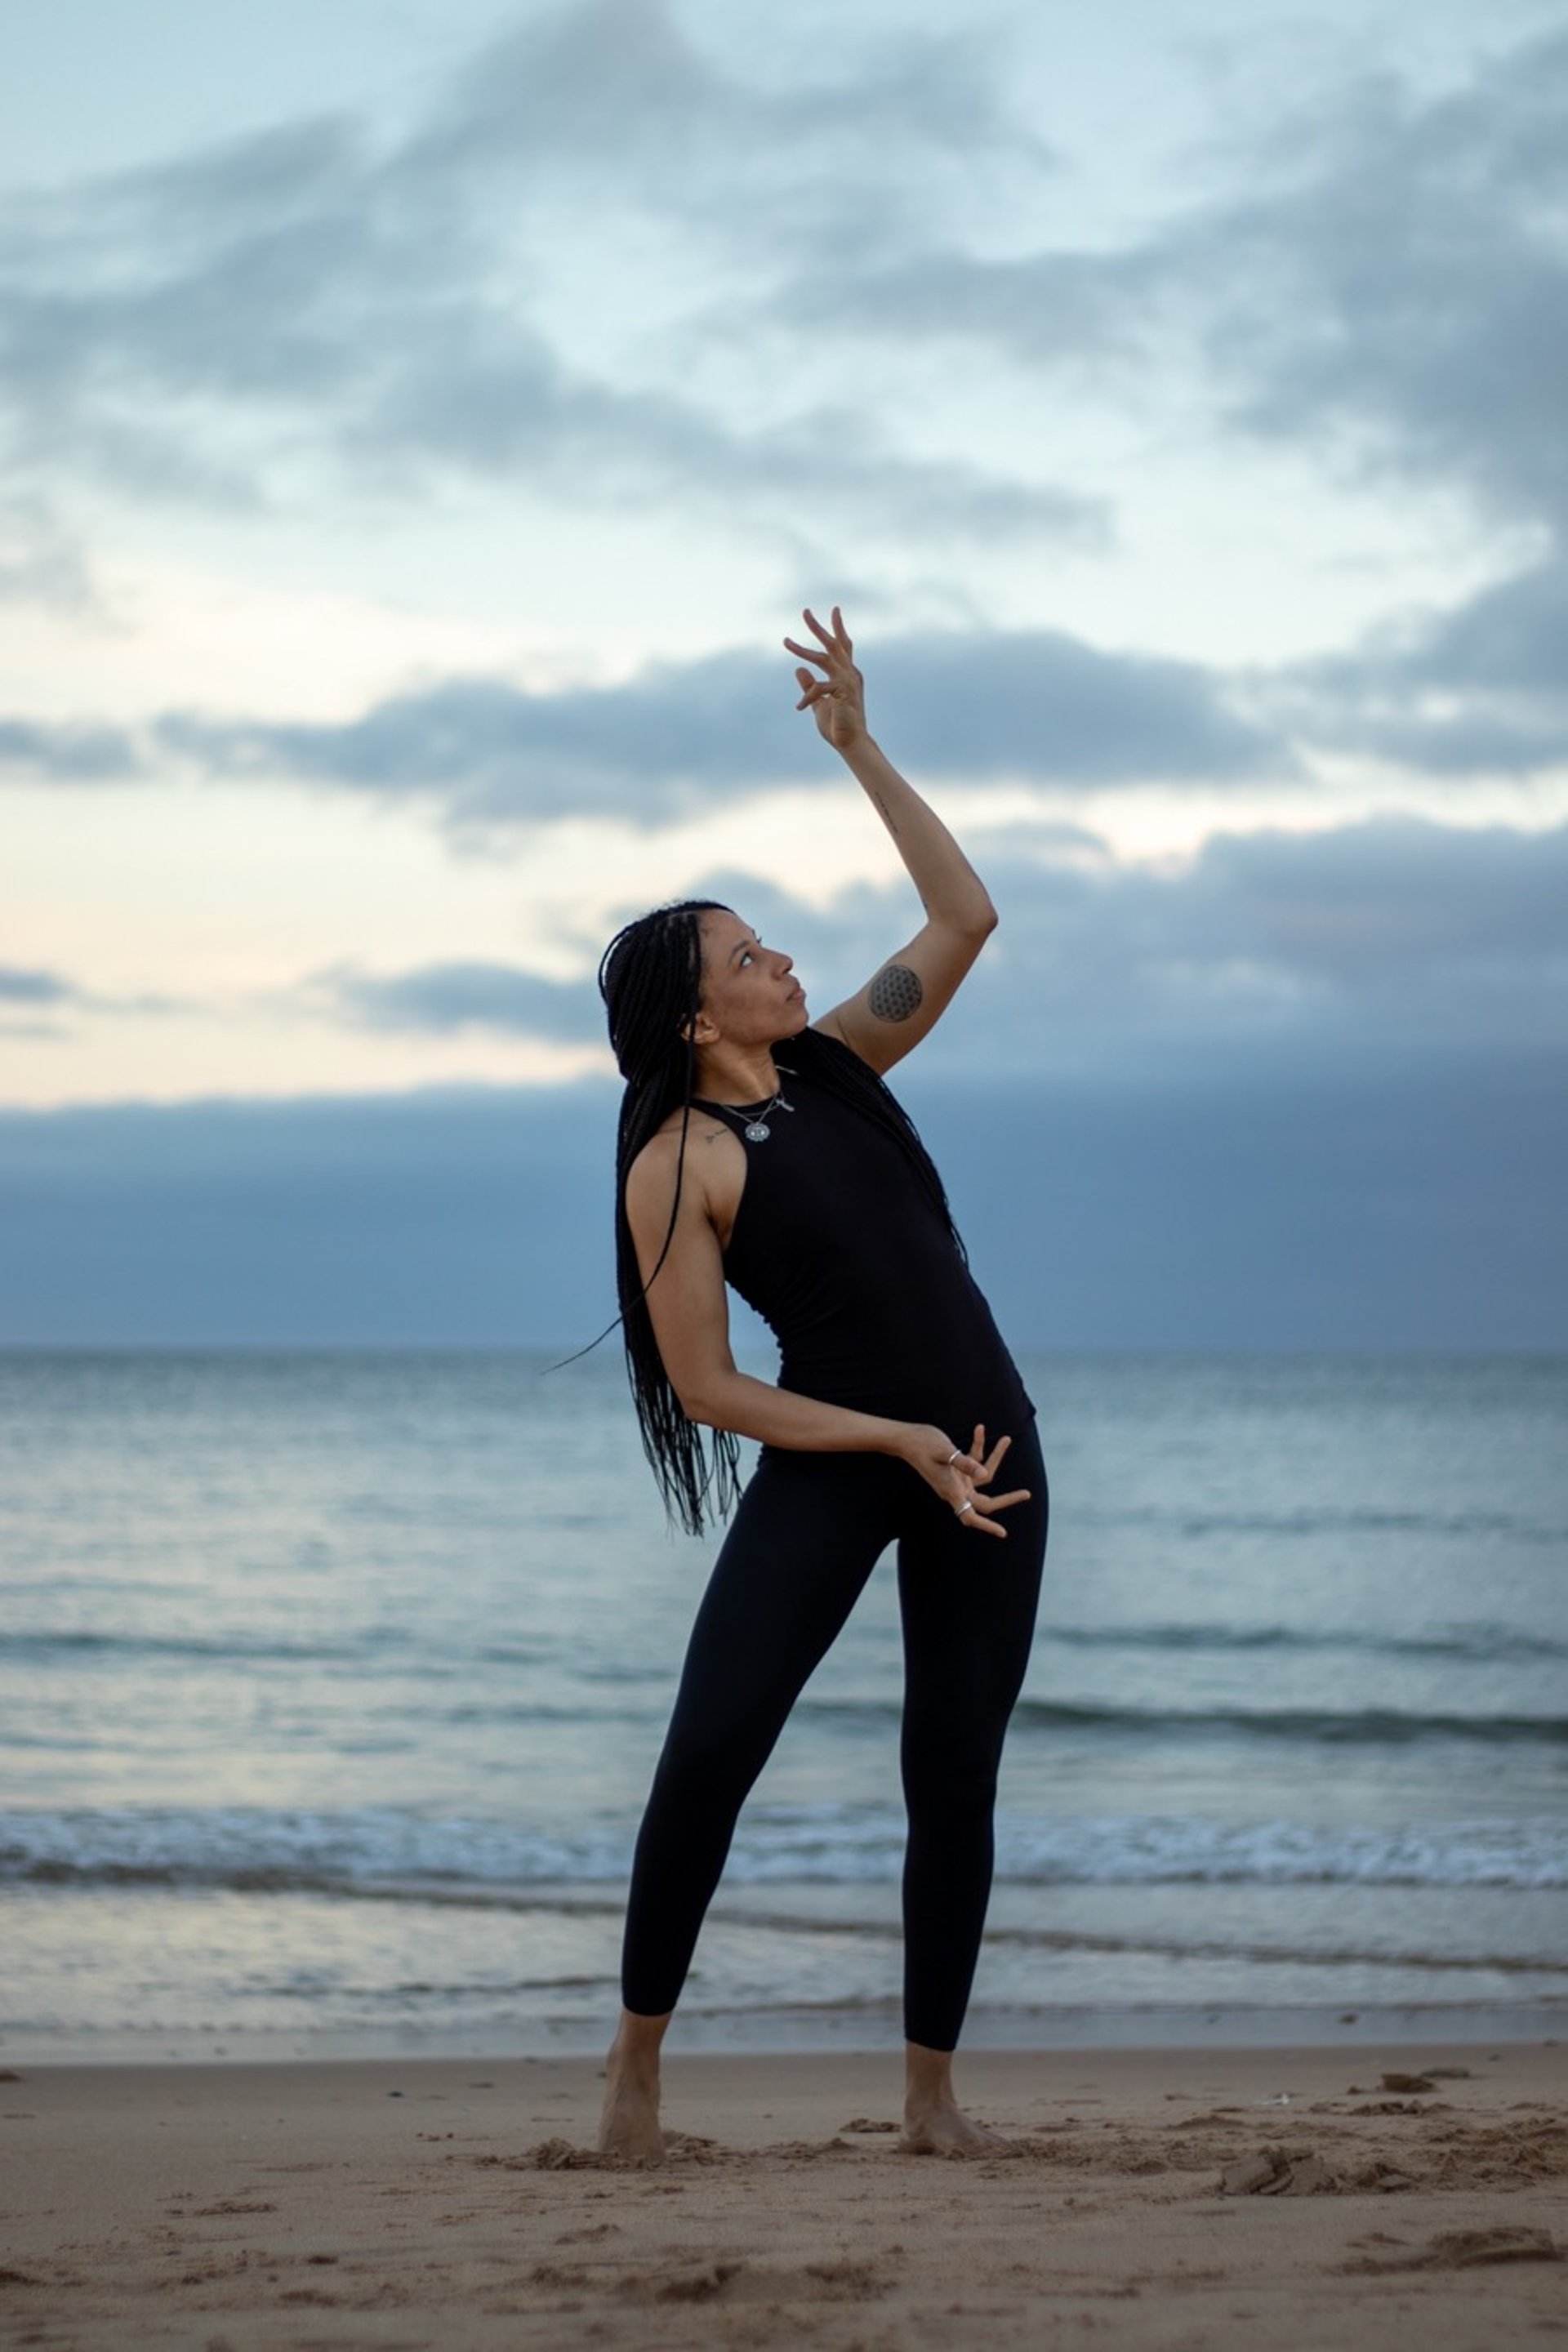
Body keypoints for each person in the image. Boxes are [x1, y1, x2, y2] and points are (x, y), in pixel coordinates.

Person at [594, 606, 1049, 2161]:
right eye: (746, 951)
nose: (780, 953)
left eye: (768, 937)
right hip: (854, 1452)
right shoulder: (682, 1161)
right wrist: (888, 1437)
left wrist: (859, 743)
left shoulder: (845, 1063)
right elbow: (712, 1387)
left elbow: (966, 913)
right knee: (713, 1746)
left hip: (987, 1446)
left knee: (955, 1773)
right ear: (695, 1015)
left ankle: (929, 2103)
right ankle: (636, 2070)